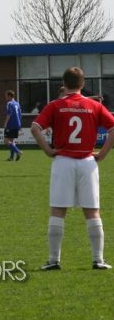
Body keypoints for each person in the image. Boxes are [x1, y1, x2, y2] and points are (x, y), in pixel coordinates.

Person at [31, 67, 114, 271]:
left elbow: (35, 128)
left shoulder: (55, 105)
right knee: (92, 211)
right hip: (87, 162)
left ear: (63, 83)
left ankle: (53, 260)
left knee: (58, 210)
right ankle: (98, 260)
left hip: (63, 161)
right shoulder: (94, 105)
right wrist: (103, 153)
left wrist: (48, 150)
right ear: (83, 84)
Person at [4, 90, 23, 161]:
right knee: (12, 141)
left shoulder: (9, 103)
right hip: (17, 124)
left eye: (6, 96)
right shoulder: (17, 103)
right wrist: (19, 124)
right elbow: (20, 114)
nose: (5, 97)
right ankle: (11, 157)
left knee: (6, 140)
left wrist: (5, 123)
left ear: (9, 96)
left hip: (11, 124)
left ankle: (18, 151)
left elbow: (9, 114)